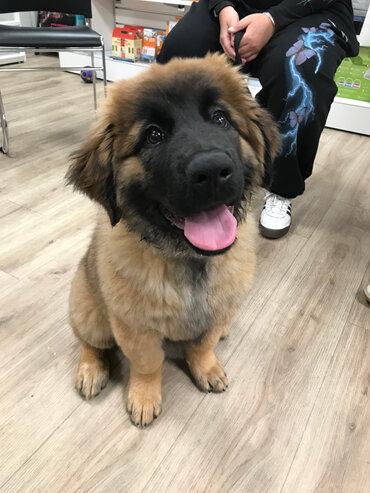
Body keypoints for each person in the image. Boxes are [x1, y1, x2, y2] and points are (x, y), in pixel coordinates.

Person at [157, 0, 359, 238]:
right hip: (234, 6)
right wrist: (223, 7)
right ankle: (186, 162)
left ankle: (281, 187)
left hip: (311, 9)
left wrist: (272, 20)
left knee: (302, 72)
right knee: (180, 52)